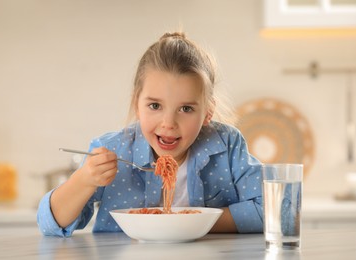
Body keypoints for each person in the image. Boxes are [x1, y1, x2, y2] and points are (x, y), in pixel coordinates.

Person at [37, 32, 263, 237]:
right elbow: (50, 225)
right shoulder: (114, 149)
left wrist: (191, 223)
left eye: (186, 109)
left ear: (207, 113)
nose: (168, 124)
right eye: (155, 106)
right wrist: (84, 180)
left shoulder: (227, 145)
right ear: (137, 103)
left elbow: (273, 210)